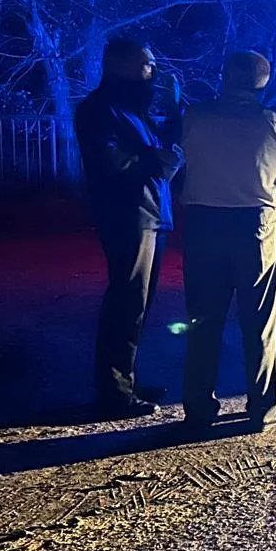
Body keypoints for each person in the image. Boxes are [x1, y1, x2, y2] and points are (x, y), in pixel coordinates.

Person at [179, 51, 276, 433]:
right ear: (264, 81)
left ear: (225, 76)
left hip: (203, 222)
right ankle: (262, 408)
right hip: (257, 223)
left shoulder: (194, 117)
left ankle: (198, 407)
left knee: (203, 319)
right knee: (260, 320)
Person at [73, 35, 183, 419]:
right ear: (121, 66)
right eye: (146, 64)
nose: (152, 71)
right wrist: (157, 162)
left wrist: (173, 113)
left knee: (137, 303)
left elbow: (157, 148)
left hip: (149, 212)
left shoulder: (129, 108)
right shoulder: (100, 109)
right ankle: (114, 391)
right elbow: (112, 164)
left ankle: (125, 382)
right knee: (127, 301)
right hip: (128, 214)